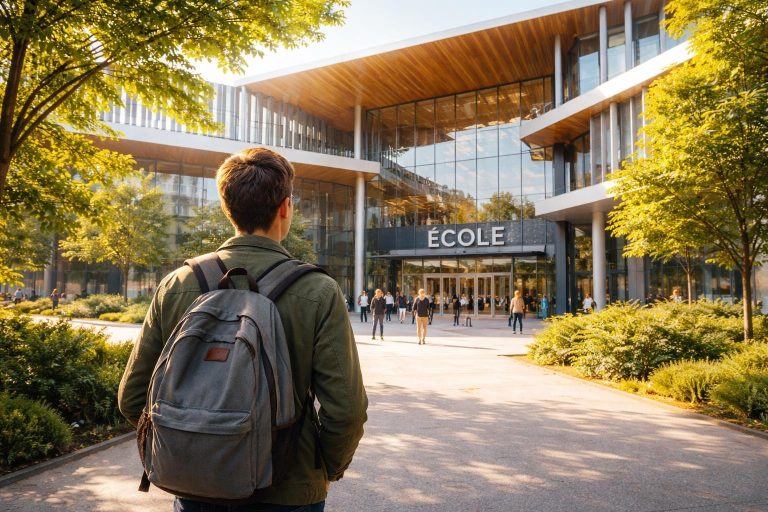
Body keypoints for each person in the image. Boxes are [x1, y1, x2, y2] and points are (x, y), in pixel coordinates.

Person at [118, 147, 367, 512]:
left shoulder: (177, 284)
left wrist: (186, 446)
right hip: (290, 487)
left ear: (225, 207)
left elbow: (132, 396)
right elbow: (345, 409)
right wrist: (327, 467)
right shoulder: (317, 290)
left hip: (196, 484)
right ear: (285, 207)